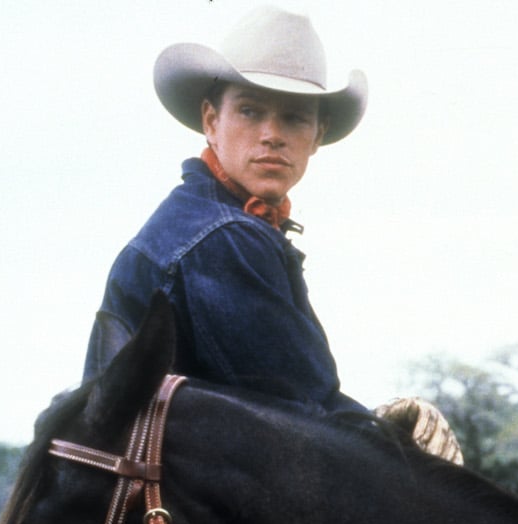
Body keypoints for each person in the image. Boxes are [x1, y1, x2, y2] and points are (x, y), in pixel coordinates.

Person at [83, 5, 367, 413]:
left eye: (295, 117)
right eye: (250, 111)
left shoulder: (208, 222)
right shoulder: (222, 238)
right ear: (212, 121)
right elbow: (308, 415)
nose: (272, 135)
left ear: (317, 134)